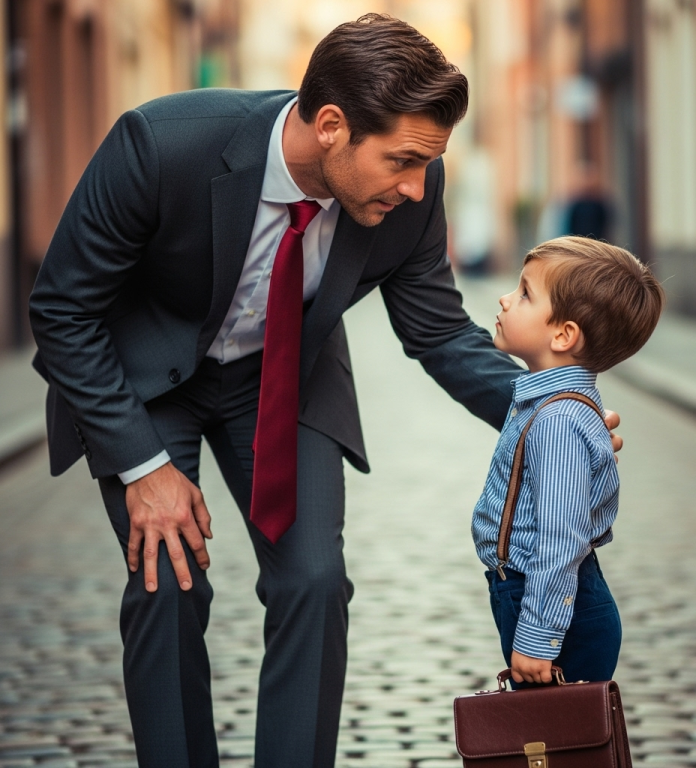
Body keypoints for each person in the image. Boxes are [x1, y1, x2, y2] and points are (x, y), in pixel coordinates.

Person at [28, 15, 623, 768]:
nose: (415, 188)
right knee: (167, 585)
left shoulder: (412, 190)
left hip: (283, 379)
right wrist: (143, 469)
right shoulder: (160, 145)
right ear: (333, 127)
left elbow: (438, 332)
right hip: (146, 384)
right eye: (401, 161)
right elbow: (60, 308)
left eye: (426, 165)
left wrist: (555, 411)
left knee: (313, 581)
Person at [473, 236, 663, 688]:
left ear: (563, 334)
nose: (504, 298)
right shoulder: (553, 407)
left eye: (524, 293)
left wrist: (538, 636)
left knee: (557, 743)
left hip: (556, 609)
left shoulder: (558, 421)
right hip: (531, 593)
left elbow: (562, 537)